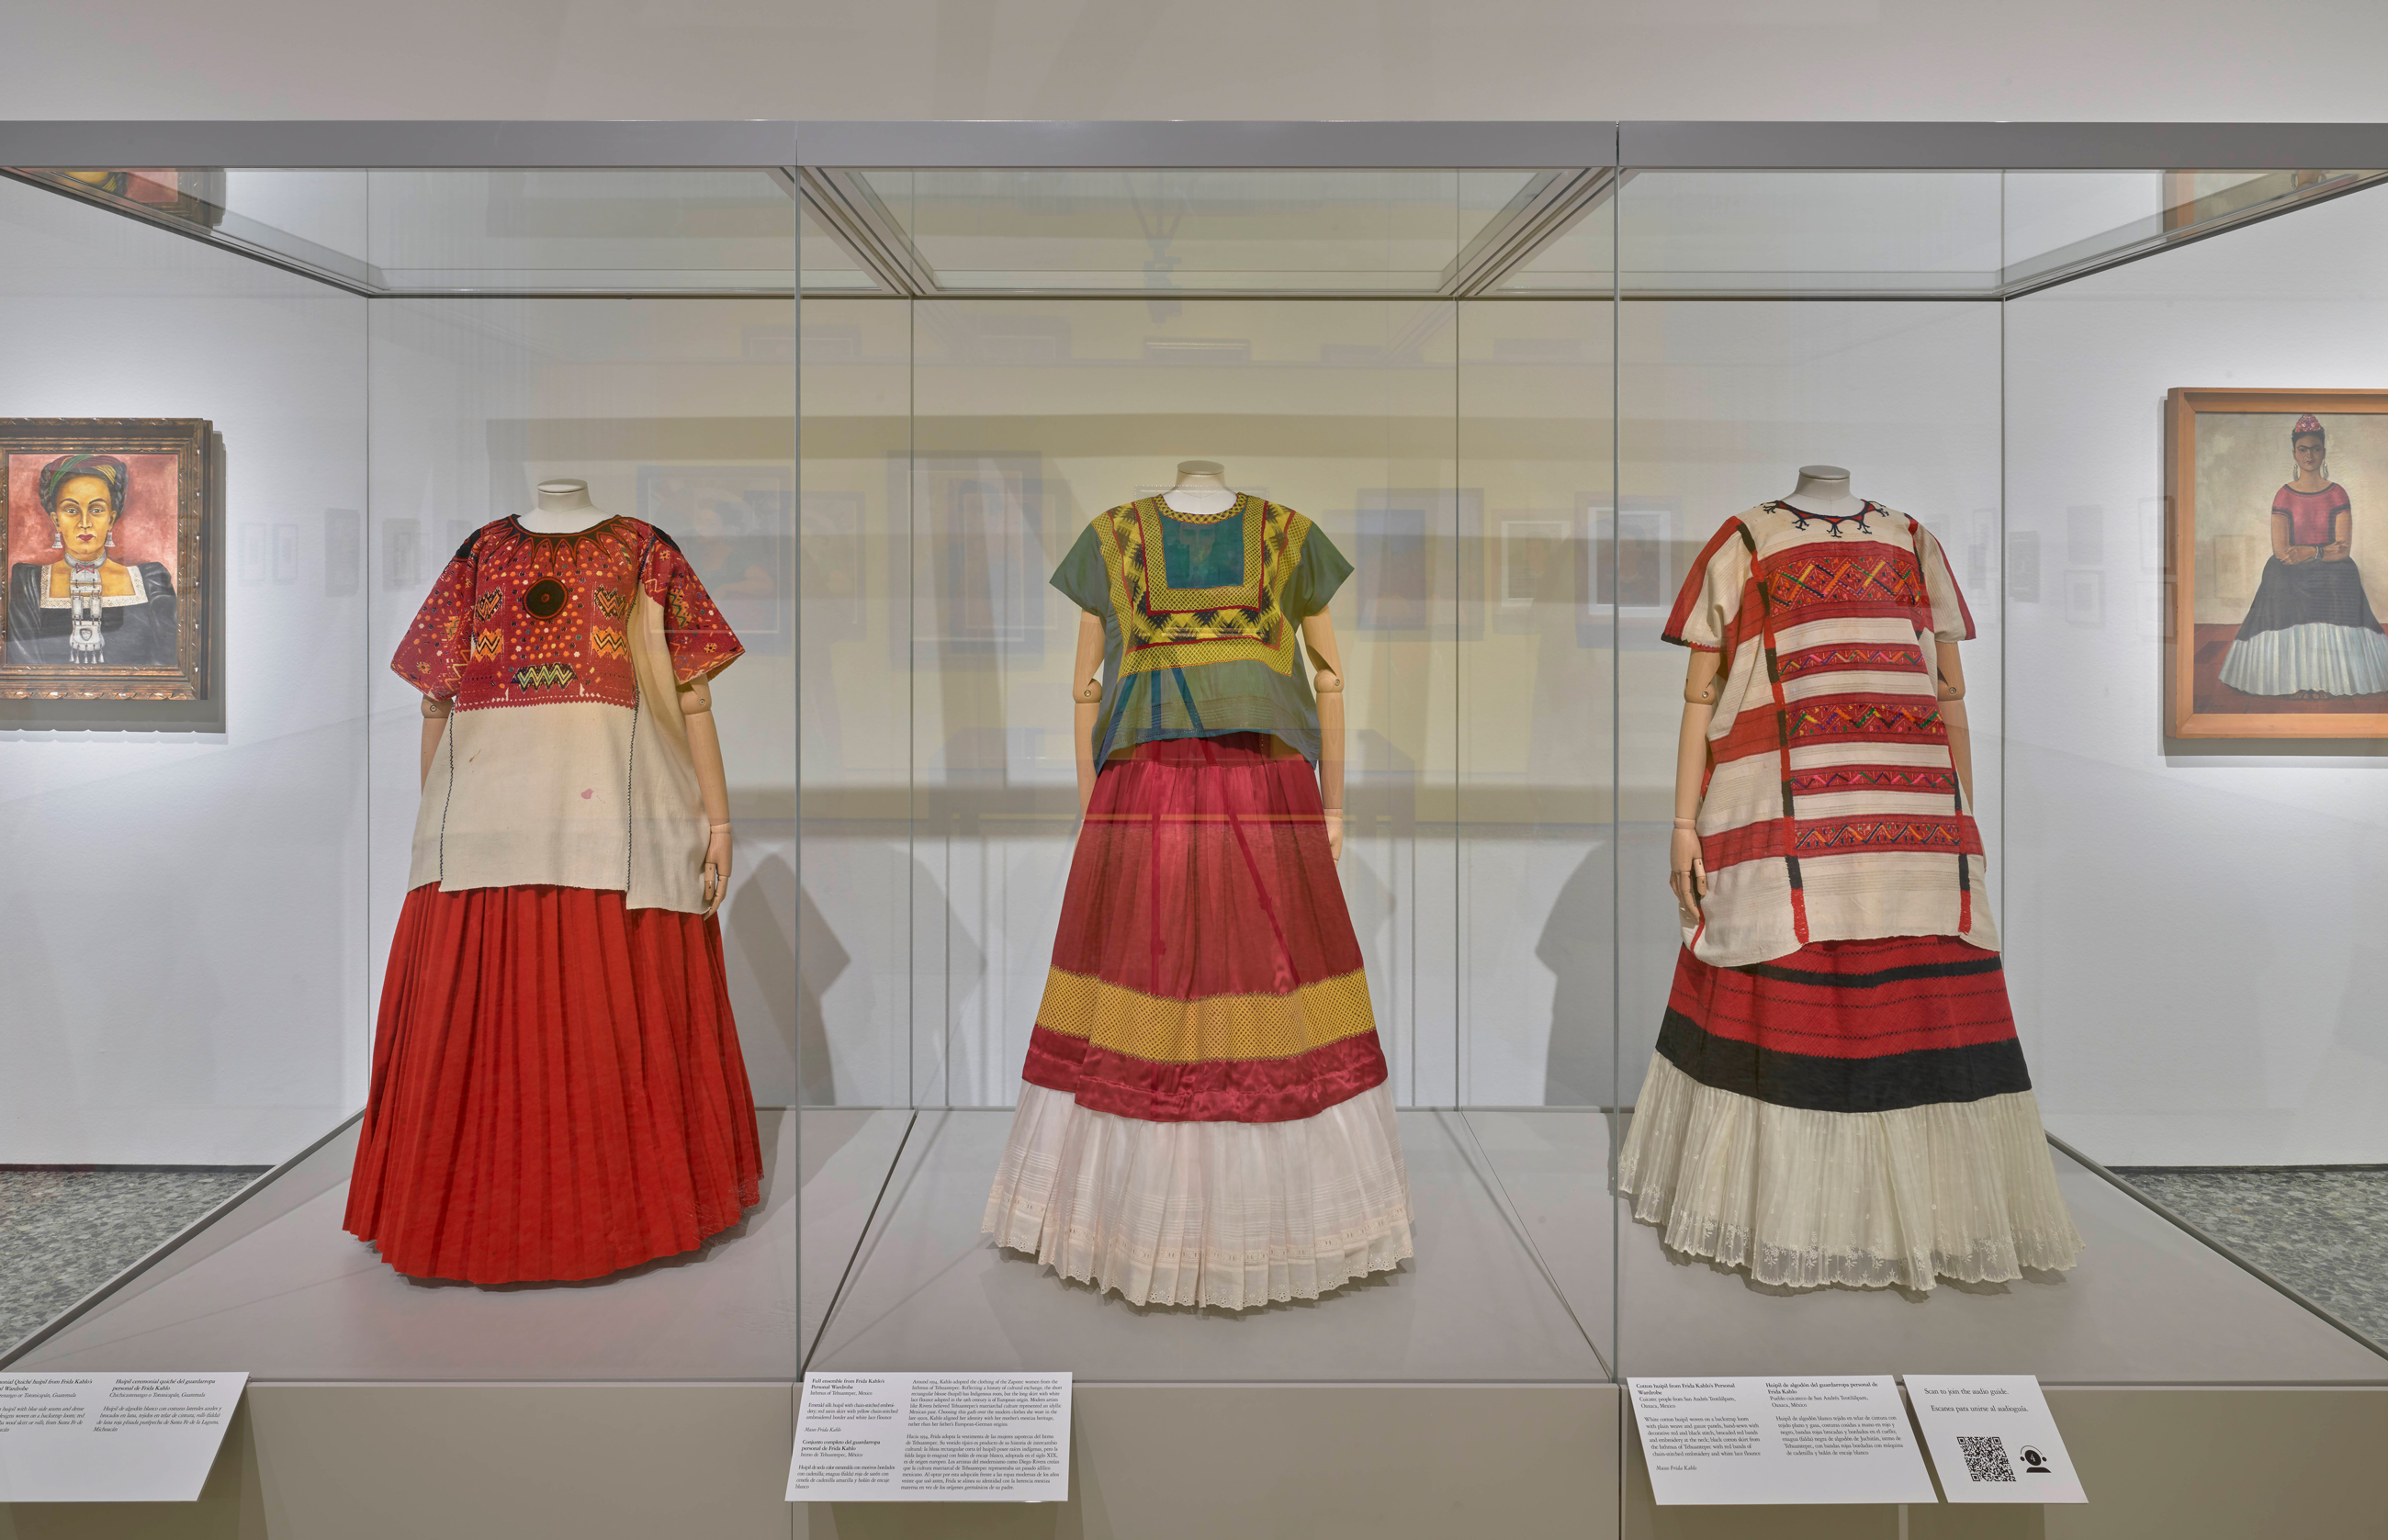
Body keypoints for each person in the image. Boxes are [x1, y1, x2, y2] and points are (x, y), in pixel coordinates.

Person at [1615, 469, 2082, 1292]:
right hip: (1782, 811)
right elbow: (1702, 694)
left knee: (1921, 1019)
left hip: (1913, 820)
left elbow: (1949, 692)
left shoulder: (1912, 541)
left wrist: (1959, 818)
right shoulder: (1746, 541)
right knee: (1782, 1001)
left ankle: (1931, 1219)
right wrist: (1684, 823)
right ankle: (1789, 1217)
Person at [981, 465, 1413, 1310]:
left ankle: (1184, 1227)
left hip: (1182, 791)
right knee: (1212, 983)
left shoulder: (1136, 537)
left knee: (1212, 980)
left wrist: (1090, 804)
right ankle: (1213, 1226)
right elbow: (1331, 679)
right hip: (1245, 792)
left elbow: (1086, 686)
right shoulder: (1270, 533)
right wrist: (1336, 806)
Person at [344, 489, 761, 1285]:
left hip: (616, 820)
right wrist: (438, 823)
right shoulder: (478, 552)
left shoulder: (645, 549)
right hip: (483, 832)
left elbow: (692, 692)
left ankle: (623, 1214)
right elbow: (436, 696)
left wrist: (718, 821)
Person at [2217, 414, 2388, 699]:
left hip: (2331, 567)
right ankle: (2290, 680)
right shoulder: (2283, 495)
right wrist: (2307, 554)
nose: (2310, 455)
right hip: (2291, 570)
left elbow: (2343, 548)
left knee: (2345, 573)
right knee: (2276, 574)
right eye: (2303, 449)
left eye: (2316, 448)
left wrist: (2311, 552)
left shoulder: (2338, 494)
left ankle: (2333, 679)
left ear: (2324, 451)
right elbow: (2281, 551)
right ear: (2294, 453)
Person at [6, 453, 178, 669]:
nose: (84, 522)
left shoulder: (151, 581)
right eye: (71, 510)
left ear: (111, 519)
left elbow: (168, 666)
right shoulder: (29, 582)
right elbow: (24, 669)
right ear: (56, 520)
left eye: (96, 510)